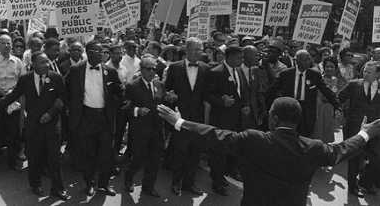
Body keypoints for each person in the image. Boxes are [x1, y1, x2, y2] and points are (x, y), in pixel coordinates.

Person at [159, 97, 380, 205]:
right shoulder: (313, 148)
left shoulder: (254, 140)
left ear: (273, 119)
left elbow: (214, 134)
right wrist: (365, 134)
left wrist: (179, 122)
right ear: (297, 120)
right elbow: (341, 150)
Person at [0, 51, 70, 200]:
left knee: (53, 159)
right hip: (33, 126)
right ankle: (35, 184)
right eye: (42, 62)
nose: (46, 65)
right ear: (33, 64)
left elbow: (62, 97)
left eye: (47, 62)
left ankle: (58, 188)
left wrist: (51, 113)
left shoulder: (56, 77)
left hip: (51, 126)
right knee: (34, 158)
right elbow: (13, 95)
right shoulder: (25, 79)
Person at [64, 40, 125, 196]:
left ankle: (104, 184)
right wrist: (67, 107)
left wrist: (130, 99)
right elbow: (65, 90)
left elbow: (120, 91)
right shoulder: (76, 70)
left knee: (106, 153)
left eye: (103, 53)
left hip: (104, 119)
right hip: (85, 118)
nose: (102, 56)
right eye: (99, 53)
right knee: (87, 154)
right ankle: (90, 182)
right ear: (89, 53)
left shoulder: (110, 71)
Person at [164, 37, 210, 196]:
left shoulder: (205, 68)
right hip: (180, 116)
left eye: (201, 49)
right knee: (180, 151)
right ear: (187, 50)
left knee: (195, 152)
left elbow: (207, 93)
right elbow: (166, 90)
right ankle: (176, 182)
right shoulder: (175, 68)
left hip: (197, 117)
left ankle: (189, 183)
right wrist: (168, 97)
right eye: (196, 49)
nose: (200, 52)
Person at [205, 46, 247, 195]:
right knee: (219, 152)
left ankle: (226, 174)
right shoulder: (216, 72)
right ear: (229, 58)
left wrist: (245, 105)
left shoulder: (239, 70)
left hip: (237, 119)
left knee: (232, 149)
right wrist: (221, 101)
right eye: (239, 58)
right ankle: (217, 182)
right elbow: (208, 95)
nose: (242, 61)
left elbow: (243, 90)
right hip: (222, 119)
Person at [267, 50, 339, 137]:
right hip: (289, 109)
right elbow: (272, 91)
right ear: (297, 61)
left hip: (306, 111)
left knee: (304, 137)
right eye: (305, 60)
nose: (308, 62)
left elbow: (325, 90)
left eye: (309, 59)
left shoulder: (314, 75)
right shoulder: (285, 74)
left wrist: (337, 104)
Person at [124, 56, 165, 197]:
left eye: (154, 69)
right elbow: (125, 108)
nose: (152, 72)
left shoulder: (160, 85)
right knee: (139, 158)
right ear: (141, 70)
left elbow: (161, 104)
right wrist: (137, 110)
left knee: (154, 160)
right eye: (148, 69)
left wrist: (170, 99)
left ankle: (148, 187)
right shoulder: (132, 86)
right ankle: (129, 177)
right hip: (140, 129)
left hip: (157, 129)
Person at [338, 61, 380, 197]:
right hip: (356, 127)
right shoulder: (354, 85)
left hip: (375, 129)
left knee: (375, 158)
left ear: (378, 74)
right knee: (355, 158)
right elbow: (339, 98)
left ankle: (365, 182)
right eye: (365, 71)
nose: (366, 74)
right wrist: (340, 111)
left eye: (369, 72)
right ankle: (352, 186)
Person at [0, 34, 23, 172]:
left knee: (13, 133)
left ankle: (12, 162)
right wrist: (4, 95)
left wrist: (12, 94)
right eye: (3, 43)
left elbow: (20, 81)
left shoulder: (17, 61)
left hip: (14, 101)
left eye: (9, 43)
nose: (6, 46)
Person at [311, 56, 338, 143]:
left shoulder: (335, 80)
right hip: (320, 108)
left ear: (336, 68)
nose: (329, 69)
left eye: (332, 67)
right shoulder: (320, 79)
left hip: (330, 108)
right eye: (327, 67)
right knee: (319, 133)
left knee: (327, 132)